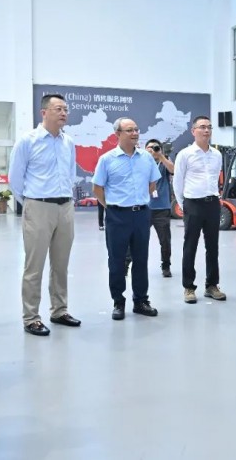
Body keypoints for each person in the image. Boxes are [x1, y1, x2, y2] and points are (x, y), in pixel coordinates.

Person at [9, 94, 80, 336]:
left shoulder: (68, 142)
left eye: (66, 109)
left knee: (61, 265)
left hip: (65, 207)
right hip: (38, 206)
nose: (64, 113)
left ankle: (59, 310)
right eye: (58, 109)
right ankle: (31, 317)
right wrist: (31, 203)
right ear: (44, 113)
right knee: (34, 266)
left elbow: (70, 173)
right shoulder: (28, 141)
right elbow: (15, 179)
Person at [92, 117, 160, 320]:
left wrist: (139, 201)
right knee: (117, 261)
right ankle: (118, 302)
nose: (135, 133)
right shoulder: (107, 159)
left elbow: (152, 183)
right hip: (117, 216)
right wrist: (112, 207)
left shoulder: (146, 158)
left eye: (136, 129)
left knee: (141, 259)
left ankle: (141, 301)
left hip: (141, 215)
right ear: (118, 134)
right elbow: (97, 188)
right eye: (129, 130)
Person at [172, 115, 226, 304]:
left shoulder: (217, 155)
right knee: (190, 246)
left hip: (212, 204)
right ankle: (188, 287)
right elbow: (177, 182)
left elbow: (215, 179)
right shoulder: (185, 154)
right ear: (193, 131)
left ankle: (212, 285)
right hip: (192, 204)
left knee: (212, 246)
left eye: (209, 127)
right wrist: (184, 205)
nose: (206, 130)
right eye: (202, 127)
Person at [144, 138, 175, 277]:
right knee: (137, 239)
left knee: (165, 241)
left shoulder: (164, 161)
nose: (153, 150)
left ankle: (166, 266)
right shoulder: (141, 162)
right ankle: (128, 264)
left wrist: (161, 156)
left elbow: (173, 170)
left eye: (155, 147)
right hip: (144, 208)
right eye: (149, 148)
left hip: (162, 208)